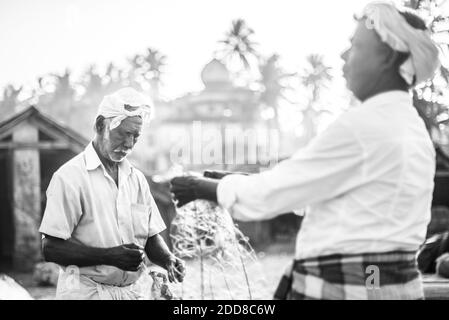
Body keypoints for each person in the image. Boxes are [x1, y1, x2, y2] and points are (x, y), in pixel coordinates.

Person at [170, 1, 440, 299]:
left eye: (357, 46)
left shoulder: (364, 125)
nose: (344, 54)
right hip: (384, 283)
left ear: (387, 57)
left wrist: (202, 187)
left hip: (349, 287)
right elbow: (314, 185)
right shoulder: (411, 128)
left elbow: (273, 193)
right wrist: (228, 178)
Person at [39, 87, 185, 300]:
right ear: (100, 125)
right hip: (86, 292)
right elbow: (50, 247)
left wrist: (168, 259)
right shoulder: (70, 177)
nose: (129, 144)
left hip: (131, 293)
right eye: (123, 134)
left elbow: (151, 237)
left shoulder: (136, 179)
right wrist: (109, 256)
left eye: (135, 136)